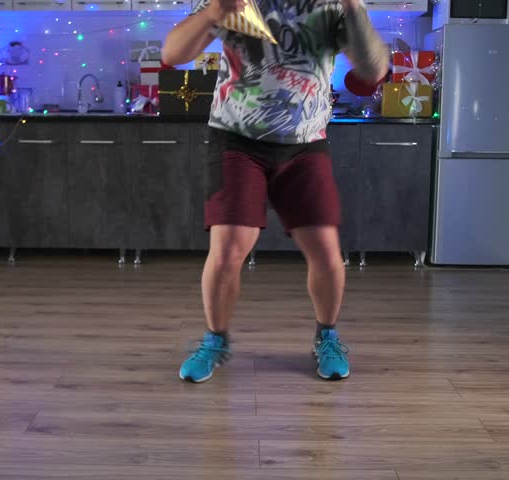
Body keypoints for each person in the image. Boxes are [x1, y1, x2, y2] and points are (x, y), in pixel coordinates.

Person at [162, 0, 388, 382]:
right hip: (236, 139)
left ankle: (326, 337)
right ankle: (215, 340)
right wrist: (213, 12)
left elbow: (373, 68)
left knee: (326, 250)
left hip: (304, 144)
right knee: (229, 247)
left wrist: (352, 6)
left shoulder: (332, 6)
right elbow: (172, 53)